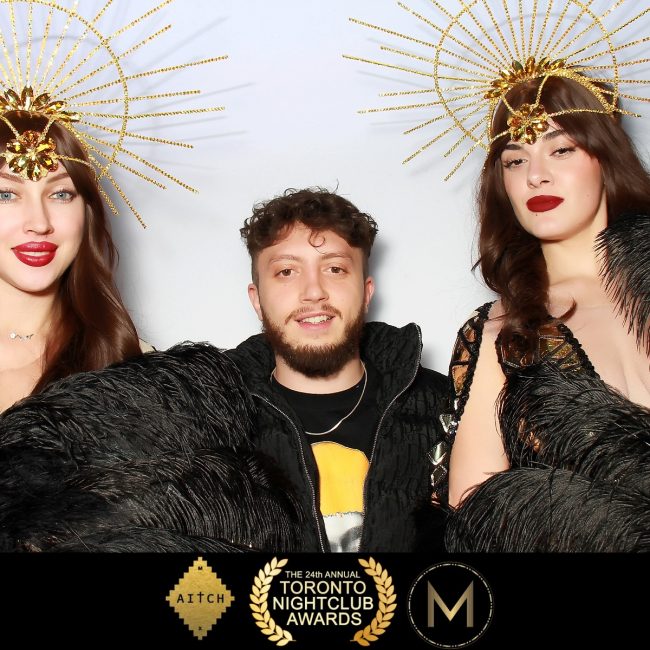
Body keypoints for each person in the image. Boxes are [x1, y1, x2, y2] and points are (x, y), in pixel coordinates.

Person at [430, 30, 650, 549]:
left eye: (561, 149)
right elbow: (476, 514)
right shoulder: (501, 332)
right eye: (515, 160)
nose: (536, 176)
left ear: (605, 156)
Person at [228, 188, 447, 552]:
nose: (314, 292)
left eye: (335, 269)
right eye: (286, 271)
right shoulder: (212, 421)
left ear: (366, 292)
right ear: (257, 299)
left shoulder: (446, 407)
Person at [0, 113, 145, 412]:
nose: (39, 223)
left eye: (61, 194)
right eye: (6, 195)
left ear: (87, 211)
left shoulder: (132, 365)